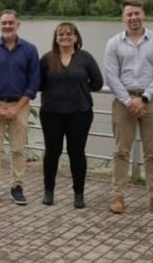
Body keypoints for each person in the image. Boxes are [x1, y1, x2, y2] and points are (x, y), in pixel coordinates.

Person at [104, 0, 153, 217]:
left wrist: (143, 99)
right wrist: (128, 101)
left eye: (137, 13)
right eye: (129, 14)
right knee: (121, 152)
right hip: (123, 101)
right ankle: (118, 197)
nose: (133, 18)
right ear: (122, 18)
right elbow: (111, 75)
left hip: (150, 101)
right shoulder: (114, 43)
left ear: (144, 15)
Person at [0, 9, 40, 205]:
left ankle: (17, 186)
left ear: (18, 24)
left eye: (11, 22)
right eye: (4, 23)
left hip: (19, 105)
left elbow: (34, 81)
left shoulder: (30, 50)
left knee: (18, 149)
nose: (7, 26)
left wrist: (17, 107)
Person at [39, 22, 104, 209]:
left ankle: (79, 194)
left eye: (69, 34)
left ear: (76, 37)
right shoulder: (47, 59)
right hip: (51, 113)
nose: (65, 37)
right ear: (56, 38)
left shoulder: (85, 58)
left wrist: (80, 89)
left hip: (79, 113)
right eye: (61, 34)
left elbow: (98, 82)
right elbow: (38, 84)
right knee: (52, 152)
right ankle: (48, 191)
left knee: (77, 153)